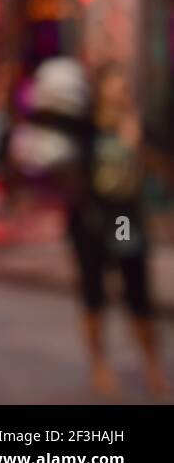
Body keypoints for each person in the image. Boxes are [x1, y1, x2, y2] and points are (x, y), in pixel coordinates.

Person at [16, 59, 166, 397]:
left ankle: (153, 366)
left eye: (123, 89)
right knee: (94, 297)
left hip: (127, 222)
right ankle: (99, 365)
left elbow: (161, 169)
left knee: (139, 296)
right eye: (112, 88)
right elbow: (53, 158)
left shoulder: (138, 127)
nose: (119, 95)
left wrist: (138, 144)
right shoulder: (83, 131)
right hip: (91, 223)